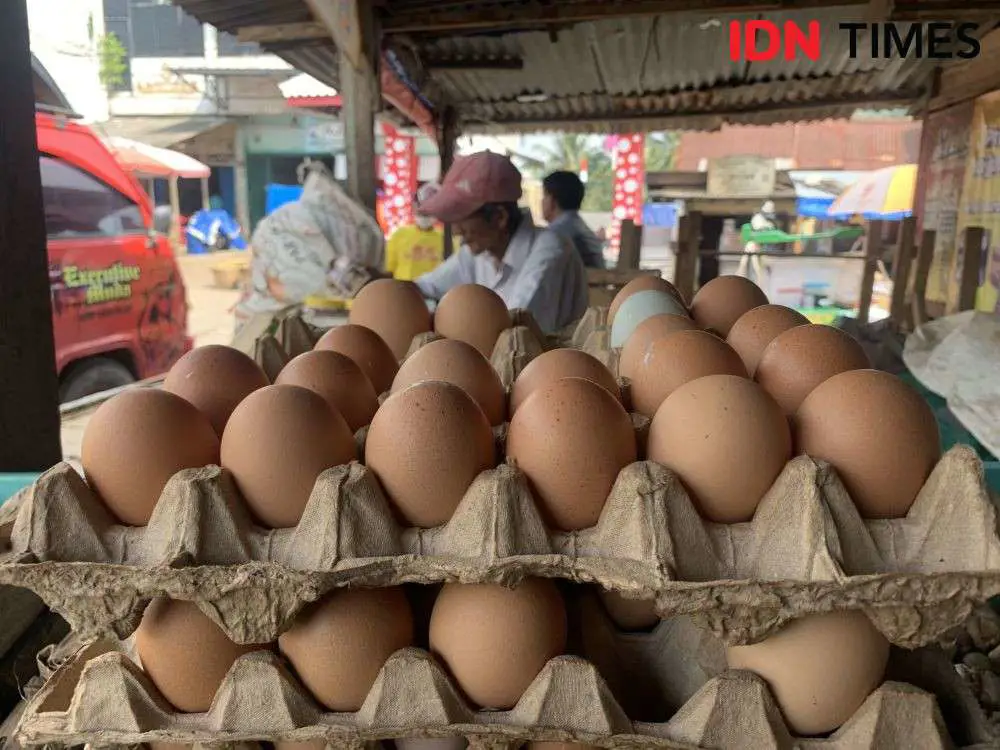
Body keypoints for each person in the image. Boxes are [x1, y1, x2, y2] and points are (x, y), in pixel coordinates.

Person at [414, 152, 588, 334]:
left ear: (499, 217)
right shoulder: (478, 253)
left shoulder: (551, 250)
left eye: (462, 219)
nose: (456, 231)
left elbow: (513, 328)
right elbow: (425, 287)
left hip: (544, 361)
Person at [541, 170, 605, 269]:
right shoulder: (576, 225)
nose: (541, 201)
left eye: (544, 196)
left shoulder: (556, 233)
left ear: (552, 200)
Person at [385, 188, 445, 281]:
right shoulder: (399, 235)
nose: (424, 213)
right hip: (403, 290)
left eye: (428, 210)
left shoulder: (447, 239)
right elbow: (388, 270)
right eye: (421, 208)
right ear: (414, 207)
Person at [739, 200, 776, 282]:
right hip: (753, 244)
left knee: (757, 267)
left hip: (758, 245)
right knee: (749, 266)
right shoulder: (758, 218)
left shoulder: (767, 221)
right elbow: (758, 230)